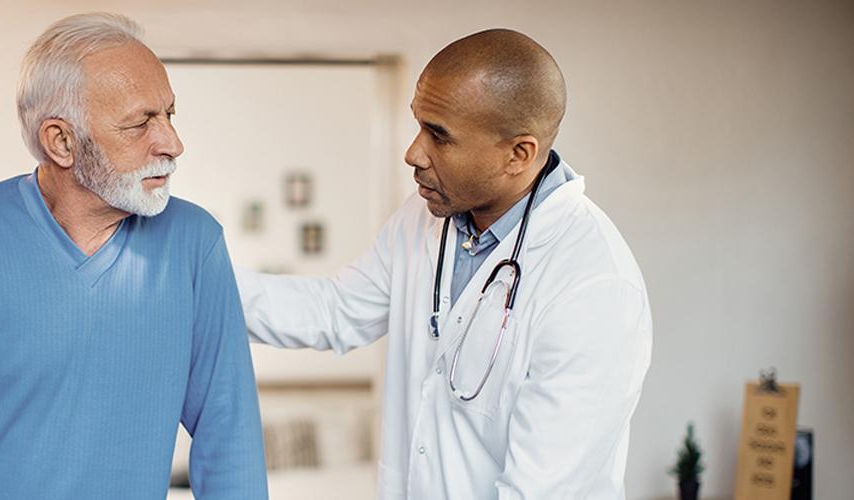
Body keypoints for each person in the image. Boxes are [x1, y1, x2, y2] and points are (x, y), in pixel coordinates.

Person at [0, 13, 267, 499]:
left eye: (169, 114)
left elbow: (230, 437)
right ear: (61, 141)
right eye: (139, 123)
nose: (172, 143)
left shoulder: (195, 243)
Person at [237, 29, 652, 499]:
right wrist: (193, 278)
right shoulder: (423, 220)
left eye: (439, 135)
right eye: (418, 125)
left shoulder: (594, 284)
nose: (413, 153)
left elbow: (539, 490)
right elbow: (334, 310)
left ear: (519, 154)